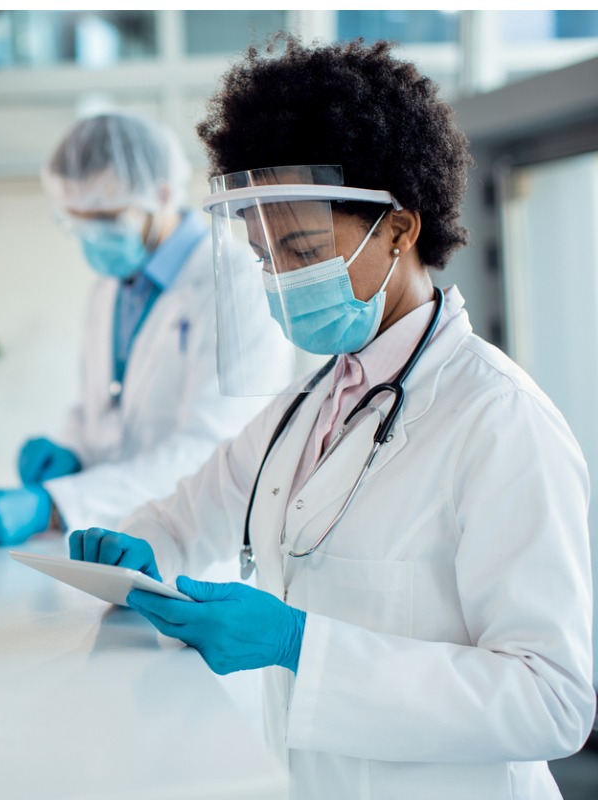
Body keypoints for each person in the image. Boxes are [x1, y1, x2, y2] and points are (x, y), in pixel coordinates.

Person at [67, 38, 595, 799]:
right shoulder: (304, 408)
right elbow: (187, 518)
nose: (280, 278)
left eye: (302, 249)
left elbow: (552, 700)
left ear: (401, 229)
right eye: (263, 256)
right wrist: (137, 546)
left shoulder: (499, 422)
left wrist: (300, 646)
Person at [0, 112, 294, 546]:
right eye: (76, 221)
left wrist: (56, 504)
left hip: (197, 548)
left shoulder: (237, 283)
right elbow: (99, 413)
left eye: (104, 219)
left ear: (162, 194)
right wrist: (73, 452)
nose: (91, 238)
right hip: (110, 538)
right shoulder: (108, 290)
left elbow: (214, 450)